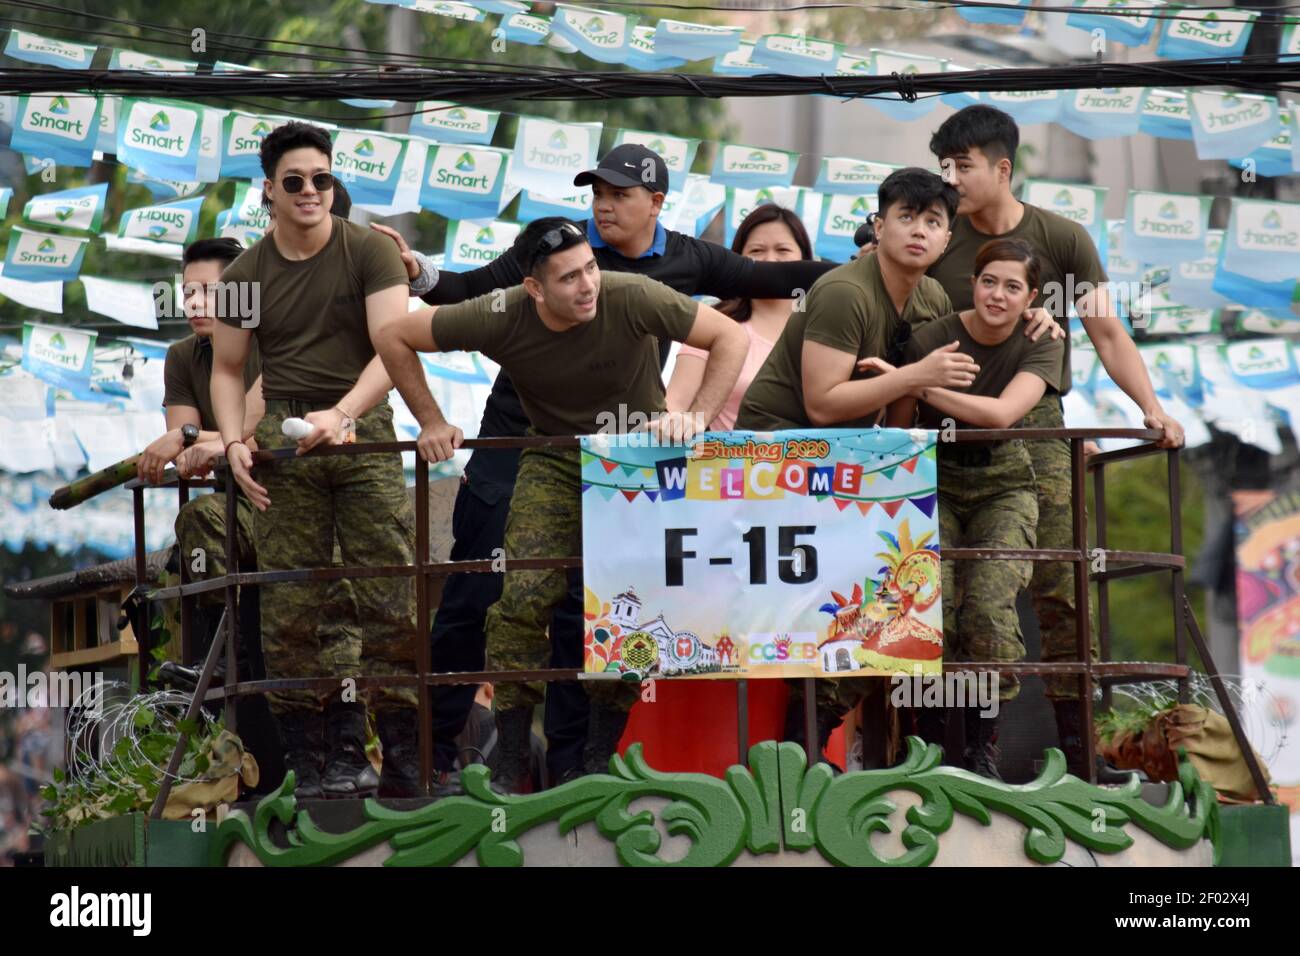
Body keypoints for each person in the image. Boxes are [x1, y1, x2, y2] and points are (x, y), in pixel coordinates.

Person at [371, 144, 839, 789]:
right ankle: (486, 753)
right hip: (543, 453)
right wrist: (429, 418)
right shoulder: (508, 299)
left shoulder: (644, 284)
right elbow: (400, 330)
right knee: (500, 599)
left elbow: (738, 321)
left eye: (590, 269)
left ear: (655, 204)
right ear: (534, 287)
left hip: (634, 464)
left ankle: (589, 759)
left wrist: (696, 416)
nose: (586, 283)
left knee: (619, 613)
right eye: (570, 276)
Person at [925, 105, 1185, 779]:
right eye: (942, 168)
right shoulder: (936, 238)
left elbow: (1107, 333)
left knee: (1063, 581)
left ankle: (1081, 755)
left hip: (1036, 422)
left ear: (1002, 168)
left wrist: (1152, 410)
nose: (948, 181)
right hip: (940, 424)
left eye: (961, 167)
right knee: (942, 587)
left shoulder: (1061, 239)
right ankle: (947, 753)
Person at [210, 121, 418, 800]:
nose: (310, 191)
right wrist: (236, 440)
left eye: (321, 178)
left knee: (388, 594)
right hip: (285, 433)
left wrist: (345, 414)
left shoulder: (370, 251)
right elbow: (229, 369)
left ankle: (405, 764)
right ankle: (314, 764)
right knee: (291, 606)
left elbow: (394, 349)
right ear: (267, 191)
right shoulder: (243, 275)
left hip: (368, 428)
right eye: (294, 181)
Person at [884, 239, 1064, 778]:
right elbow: (896, 425)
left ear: (1031, 297)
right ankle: (931, 746)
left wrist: (922, 381)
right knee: (927, 610)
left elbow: (1004, 415)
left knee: (988, 609)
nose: (998, 295)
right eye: (990, 282)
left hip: (1004, 483)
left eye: (1013, 287)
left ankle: (981, 747)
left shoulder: (1042, 339)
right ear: (974, 283)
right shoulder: (934, 337)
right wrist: (913, 376)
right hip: (933, 479)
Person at [135, 238, 263, 678]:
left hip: (288, 493)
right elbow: (183, 440)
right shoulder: (183, 356)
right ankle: (214, 657)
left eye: (209, 290)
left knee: (200, 518)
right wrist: (202, 439)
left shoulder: (272, 340)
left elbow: (263, 431)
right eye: (188, 291)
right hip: (236, 500)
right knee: (193, 528)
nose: (195, 302)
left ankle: (229, 657)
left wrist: (203, 440)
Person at [665, 203, 813, 429]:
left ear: (805, 258)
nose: (769, 260)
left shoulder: (824, 324)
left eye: (783, 250)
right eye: (756, 251)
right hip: (723, 463)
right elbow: (675, 405)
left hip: (814, 463)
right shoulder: (713, 325)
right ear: (737, 261)